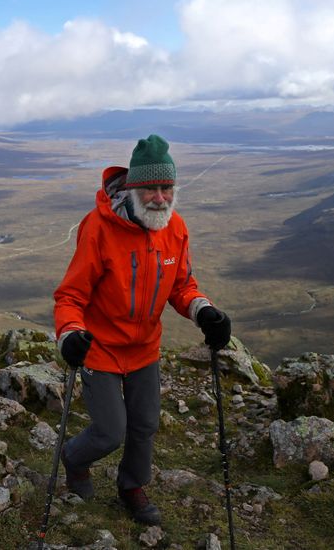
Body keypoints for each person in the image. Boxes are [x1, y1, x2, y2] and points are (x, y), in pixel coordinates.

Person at [52, 134, 231, 525]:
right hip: (99, 347)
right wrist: (69, 334)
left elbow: (182, 286)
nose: (160, 198)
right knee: (110, 432)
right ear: (133, 188)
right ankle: (72, 458)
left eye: (167, 188)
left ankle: (132, 485)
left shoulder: (175, 228)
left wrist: (204, 312)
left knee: (146, 424)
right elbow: (70, 295)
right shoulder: (98, 228)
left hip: (145, 348)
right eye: (151, 188)